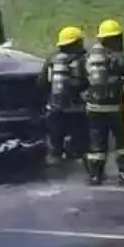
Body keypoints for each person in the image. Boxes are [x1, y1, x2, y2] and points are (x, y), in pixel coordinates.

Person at [82, 19, 124, 185]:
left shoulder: (90, 56)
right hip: (116, 108)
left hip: (93, 108)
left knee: (96, 144)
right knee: (122, 143)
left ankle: (95, 175)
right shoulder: (119, 57)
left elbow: (82, 79)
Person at [39, 25, 88, 164]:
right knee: (79, 141)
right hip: (75, 109)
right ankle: (77, 158)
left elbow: (42, 82)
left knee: (55, 142)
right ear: (76, 43)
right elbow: (88, 81)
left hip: (54, 109)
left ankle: (56, 160)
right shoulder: (82, 59)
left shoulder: (51, 60)